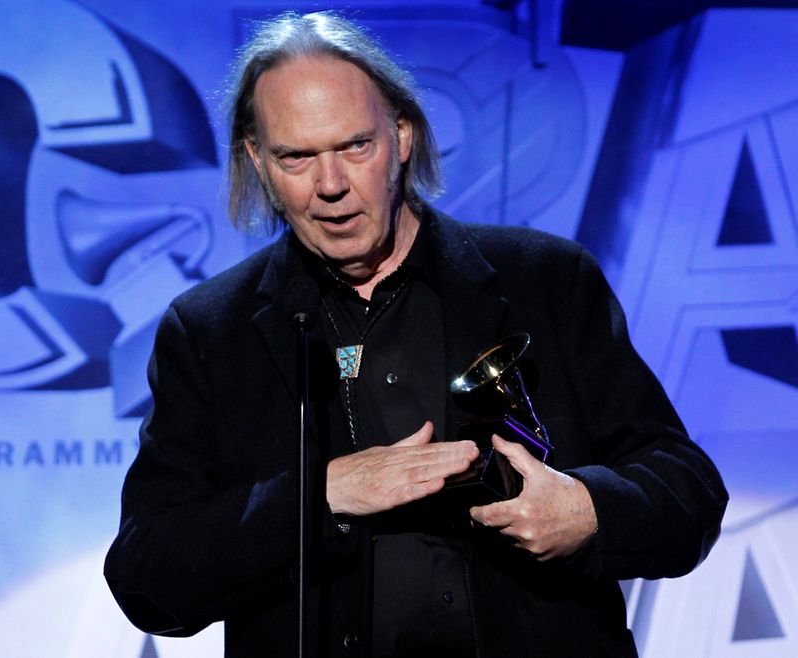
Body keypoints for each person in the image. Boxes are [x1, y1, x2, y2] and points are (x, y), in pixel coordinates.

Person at [104, 11, 727, 658]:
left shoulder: (546, 279)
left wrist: (588, 511)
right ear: (257, 160)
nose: (331, 186)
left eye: (354, 146)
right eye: (297, 157)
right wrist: (323, 496)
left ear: (402, 135)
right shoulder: (211, 330)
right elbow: (148, 578)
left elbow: (689, 493)